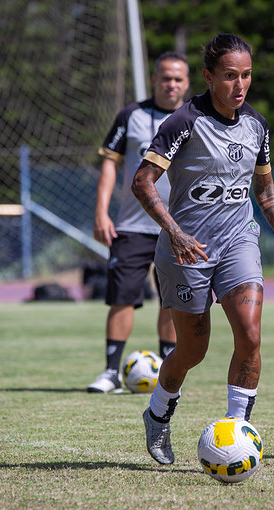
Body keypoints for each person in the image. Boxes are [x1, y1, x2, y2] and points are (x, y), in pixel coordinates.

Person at [131, 33, 274, 464]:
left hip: (239, 240)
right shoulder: (183, 122)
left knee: (250, 334)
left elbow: (265, 187)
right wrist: (174, 232)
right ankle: (158, 413)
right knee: (193, 350)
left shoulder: (257, 125)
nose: (240, 85)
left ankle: (236, 430)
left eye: (247, 75)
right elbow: (142, 181)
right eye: (230, 76)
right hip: (186, 250)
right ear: (209, 76)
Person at [87, 52, 190, 394]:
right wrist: (102, 212)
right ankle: (111, 373)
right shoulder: (130, 116)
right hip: (131, 225)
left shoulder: (197, 118)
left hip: (178, 226)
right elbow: (109, 167)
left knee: (172, 301)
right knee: (122, 297)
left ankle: (169, 374)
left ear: (187, 83)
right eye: (165, 78)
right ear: (155, 79)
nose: (171, 84)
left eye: (178, 79)